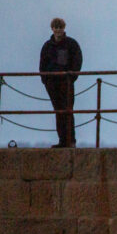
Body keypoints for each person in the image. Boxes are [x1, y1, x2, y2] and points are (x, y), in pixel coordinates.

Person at [38, 17, 82, 148]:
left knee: (68, 111)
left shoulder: (71, 44)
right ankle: (63, 141)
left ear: (64, 28)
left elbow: (77, 61)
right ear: (52, 29)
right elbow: (42, 64)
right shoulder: (47, 46)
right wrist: (45, 80)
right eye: (56, 27)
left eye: (60, 27)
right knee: (58, 111)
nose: (58, 30)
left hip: (66, 83)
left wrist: (71, 77)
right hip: (52, 84)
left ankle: (71, 141)